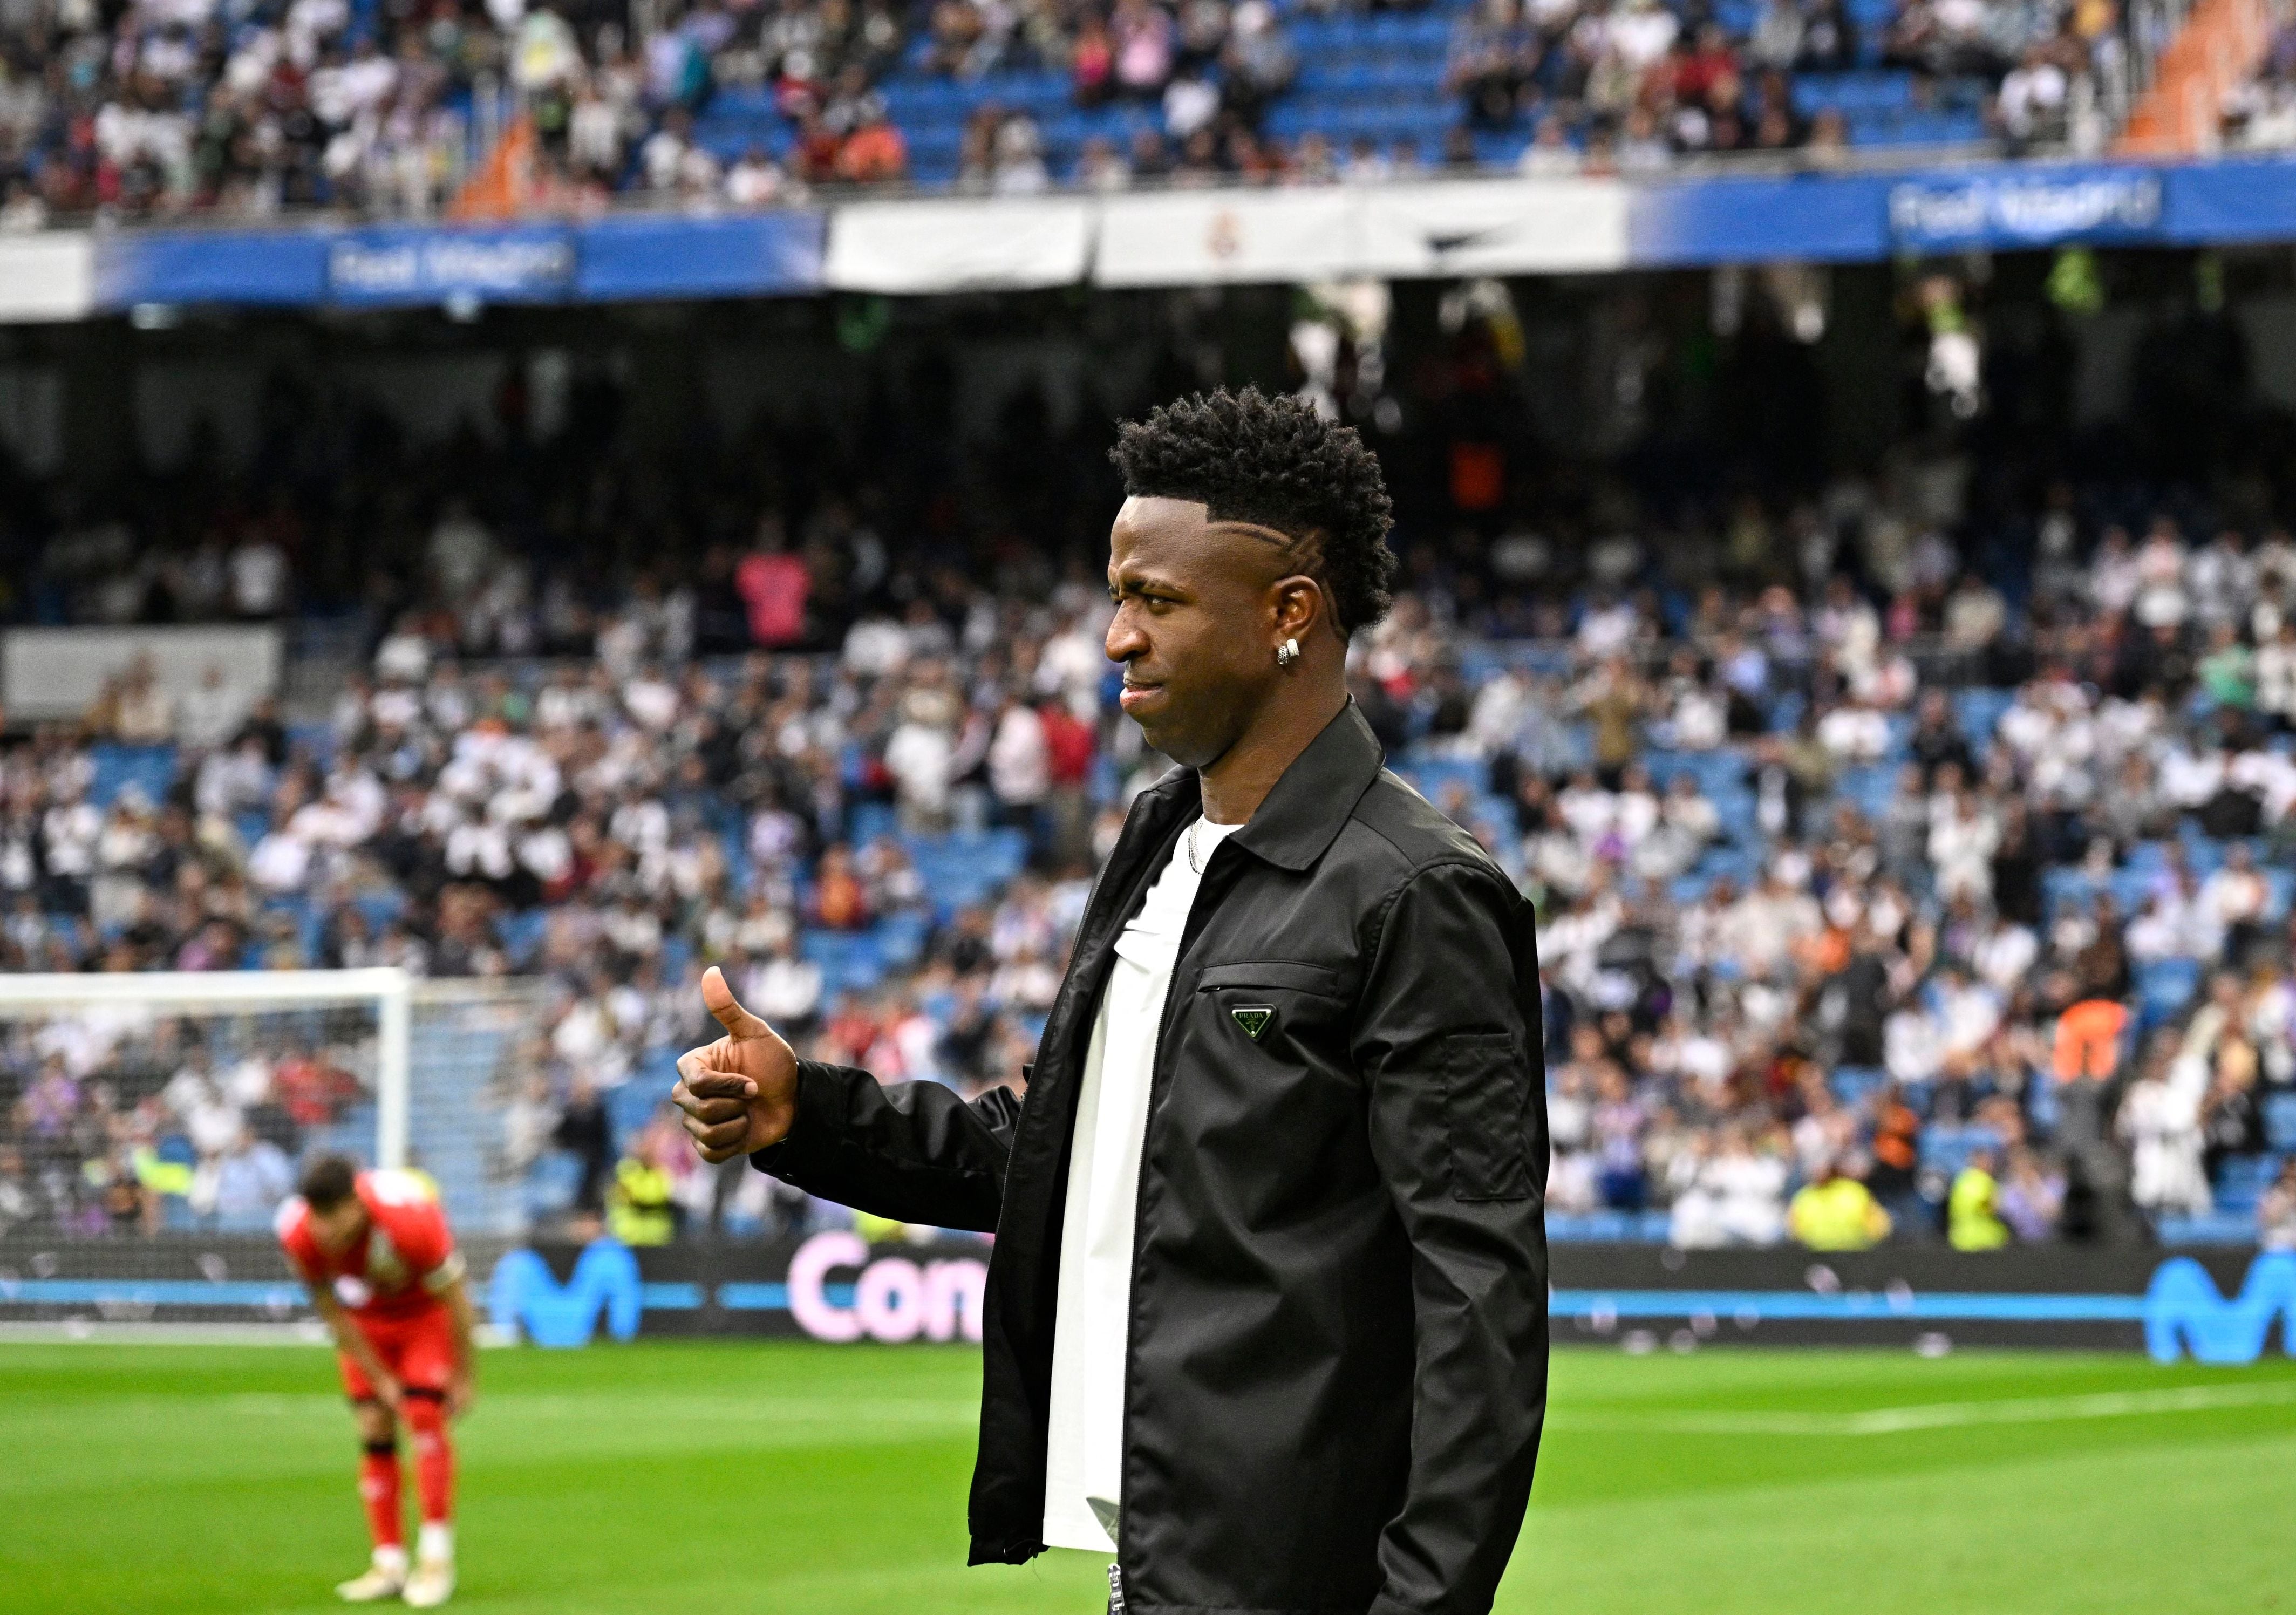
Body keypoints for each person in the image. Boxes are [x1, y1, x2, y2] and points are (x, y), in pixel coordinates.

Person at [674, 388, 1548, 1615]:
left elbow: (1478, 1300)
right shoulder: (1158, 839)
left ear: (1289, 613)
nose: (1115, 637)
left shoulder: (1416, 890)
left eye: (1156, 598)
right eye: (1116, 594)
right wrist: (800, 1113)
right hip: (1158, 1559)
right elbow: (1058, 1147)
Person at [276, 1156, 476, 1607]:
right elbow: (332, 1313)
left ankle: (436, 1560)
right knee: (373, 1426)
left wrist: (465, 1376)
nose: (325, 1229)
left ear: (357, 1202)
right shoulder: (298, 1233)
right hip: (368, 1322)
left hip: (424, 1315)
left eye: (334, 1215)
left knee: (424, 1414)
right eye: (317, 1217)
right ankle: (387, 1563)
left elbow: (458, 1298)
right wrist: (380, 1377)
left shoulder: (410, 1221)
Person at [1788, 1155, 1892, 1250]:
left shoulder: (1854, 1192)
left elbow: (1880, 1226)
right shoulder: (1804, 1197)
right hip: (1815, 1256)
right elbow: (1794, 1230)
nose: (1818, 1172)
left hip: (1855, 1254)